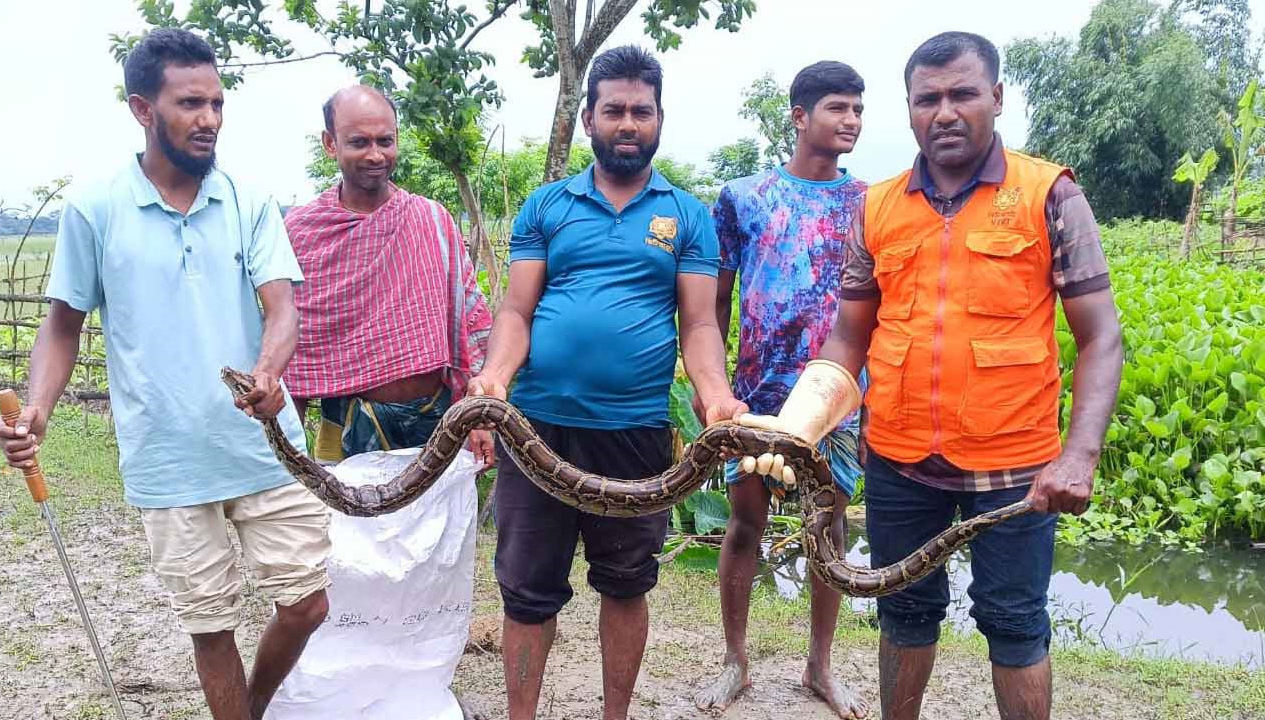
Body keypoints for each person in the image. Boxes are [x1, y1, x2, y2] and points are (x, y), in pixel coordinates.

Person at [736, 32, 1123, 720]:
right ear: (910, 110)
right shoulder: (877, 207)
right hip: (900, 459)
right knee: (905, 615)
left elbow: (1101, 338)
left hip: (1014, 467)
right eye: (928, 99)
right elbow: (848, 338)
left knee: (1014, 624)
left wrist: (1080, 454)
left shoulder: (1049, 194)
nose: (945, 112)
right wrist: (796, 429)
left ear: (996, 99)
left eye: (962, 94)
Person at [0, 29, 332, 720]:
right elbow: (63, 324)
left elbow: (283, 307)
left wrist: (268, 374)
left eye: (216, 103)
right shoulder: (95, 207)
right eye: (190, 104)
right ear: (143, 110)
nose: (209, 119)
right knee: (210, 623)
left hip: (263, 446)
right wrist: (38, 411)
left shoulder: (247, 199)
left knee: (307, 603)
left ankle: (253, 707)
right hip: (167, 454)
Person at [466, 45, 747, 720]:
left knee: (626, 586)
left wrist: (715, 395)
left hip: (635, 434)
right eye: (614, 110)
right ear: (589, 115)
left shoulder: (686, 214)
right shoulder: (546, 205)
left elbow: (701, 326)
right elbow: (516, 310)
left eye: (641, 112)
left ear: (658, 119)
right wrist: (493, 379)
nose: (628, 123)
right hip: (536, 428)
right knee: (527, 592)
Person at [698, 61, 870, 718]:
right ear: (799, 117)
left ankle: (819, 667)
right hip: (756, 396)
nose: (850, 120)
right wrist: (709, 383)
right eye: (836, 108)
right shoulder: (742, 196)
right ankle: (734, 660)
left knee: (828, 527)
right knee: (745, 524)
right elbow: (715, 302)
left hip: (839, 398)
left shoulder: (868, 203)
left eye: (857, 109)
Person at [283, 85, 494, 468]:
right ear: (331, 144)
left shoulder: (431, 220)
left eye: (386, 141)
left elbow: (471, 320)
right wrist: (287, 454)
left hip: (437, 421)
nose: (375, 155)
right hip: (346, 426)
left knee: (441, 527)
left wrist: (478, 411)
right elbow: (292, 349)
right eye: (359, 142)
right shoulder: (302, 232)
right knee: (350, 527)